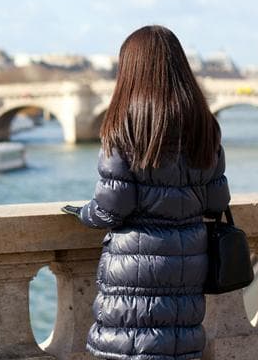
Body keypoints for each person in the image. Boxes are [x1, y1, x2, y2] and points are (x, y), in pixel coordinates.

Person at [63, 25, 230, 360]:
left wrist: (82, 213)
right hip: (188, 266)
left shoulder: (125, 126)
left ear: (130, 70)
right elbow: (216, 202)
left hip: (134, 269)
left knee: (130, 348)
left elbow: (112, 209)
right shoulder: (204, 125)